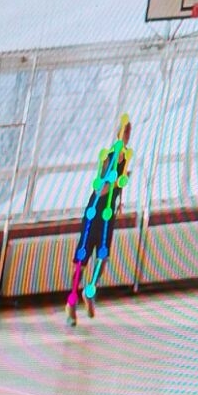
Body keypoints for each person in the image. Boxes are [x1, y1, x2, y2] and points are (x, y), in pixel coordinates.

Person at [67, 114, 133, 327]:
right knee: (82, 259)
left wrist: (118, 197)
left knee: (102, 258)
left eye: (129, 132)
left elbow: (117, 187)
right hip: (95, 213)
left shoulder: (125, 158)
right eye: (124, 132)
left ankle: (89, 292)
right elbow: (100, 188)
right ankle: (71, 303)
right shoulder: (110, 158)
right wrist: (112, 184)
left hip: (108, 215)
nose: (127, 136)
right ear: (118, 134)